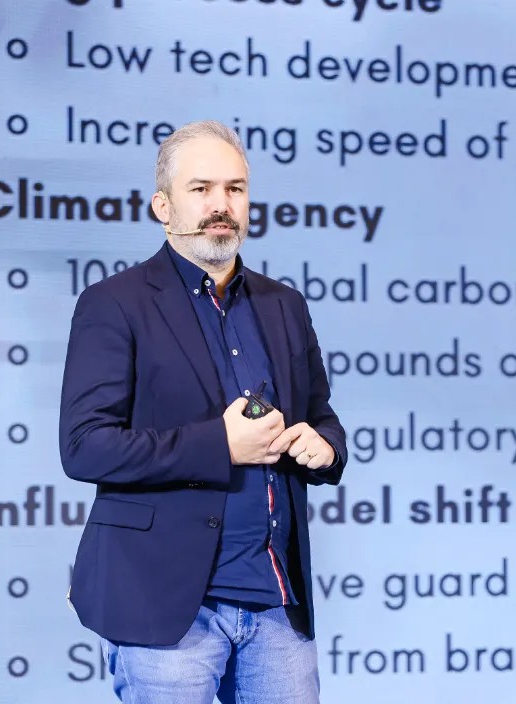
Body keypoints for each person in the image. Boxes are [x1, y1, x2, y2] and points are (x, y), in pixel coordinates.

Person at [59, 120, 348, 704]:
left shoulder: (285, 305)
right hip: (166, 606)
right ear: (163, 206)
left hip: (274, 602)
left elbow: (321, 415)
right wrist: (222, 445)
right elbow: (85, 446)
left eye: (235, 189)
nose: (222, 205)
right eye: (201, 189)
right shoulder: (114, 303)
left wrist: (325, 447)